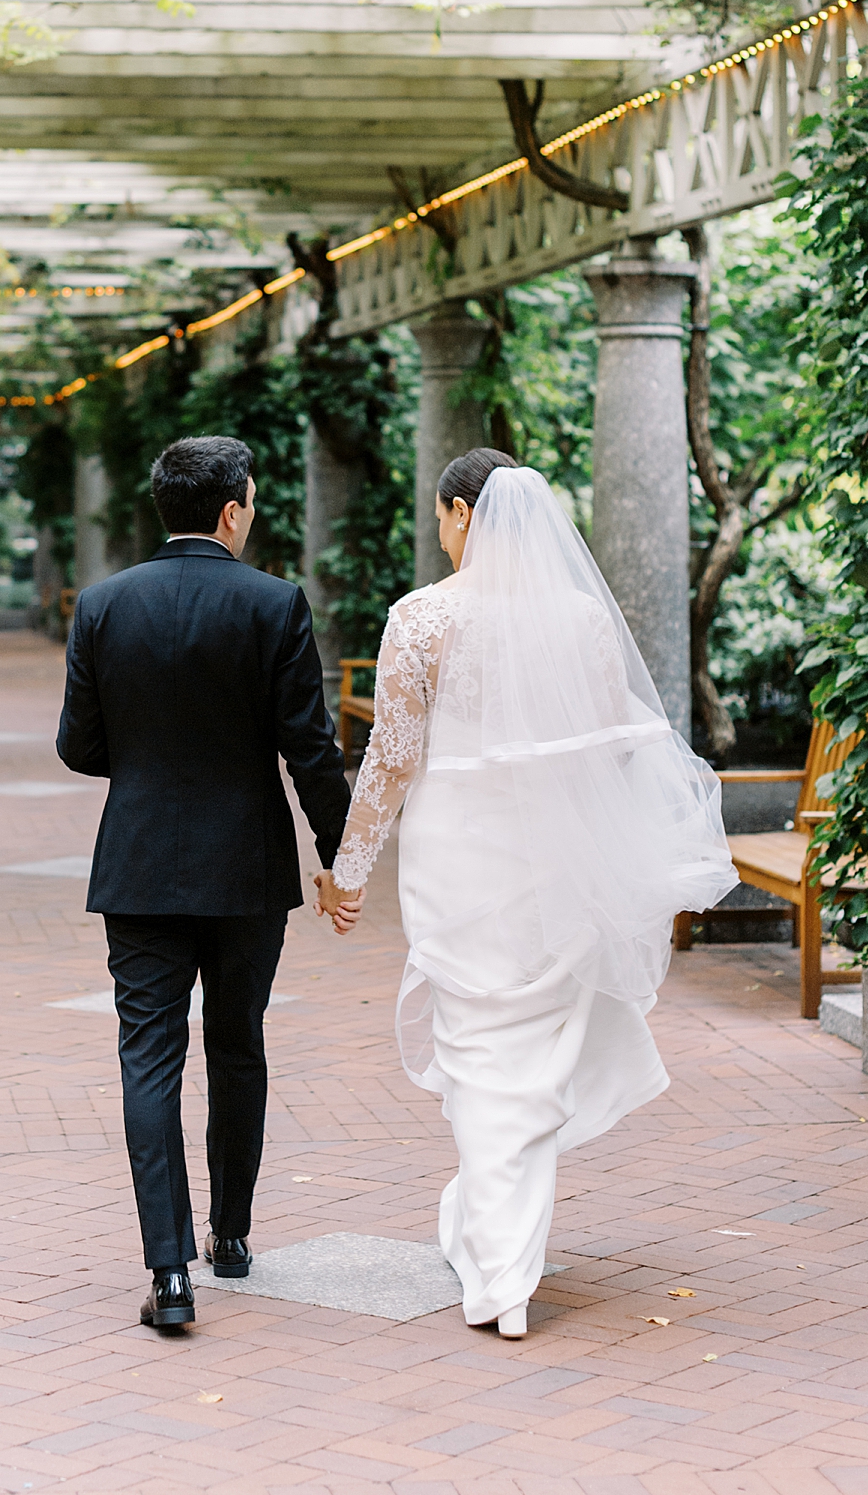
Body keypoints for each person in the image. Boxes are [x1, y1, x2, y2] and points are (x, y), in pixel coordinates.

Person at [315, 449, 733, 1340]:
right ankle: (492, 1241)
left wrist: (347, 872)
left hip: (456, 848)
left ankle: (501, 1273)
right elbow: (606, 746)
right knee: (534, 1047)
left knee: (477, 1042)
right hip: (546, 853)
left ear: (463, 514)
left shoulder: (421, 618)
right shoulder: (579, 619)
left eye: (441, 516)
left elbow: (390, 759)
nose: (439, 532)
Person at [57, 435, 350, 1334]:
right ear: (231, 511)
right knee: (238, 1045)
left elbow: (79, 746)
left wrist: (145, 766)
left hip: (139, 865)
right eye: (252, 500)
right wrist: (343, 855)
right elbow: (309, 746)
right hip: (247, 869)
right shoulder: (275, 604)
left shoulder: (104, 605)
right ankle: (231, 1237)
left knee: (149, 1060)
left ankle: (169, 1273)